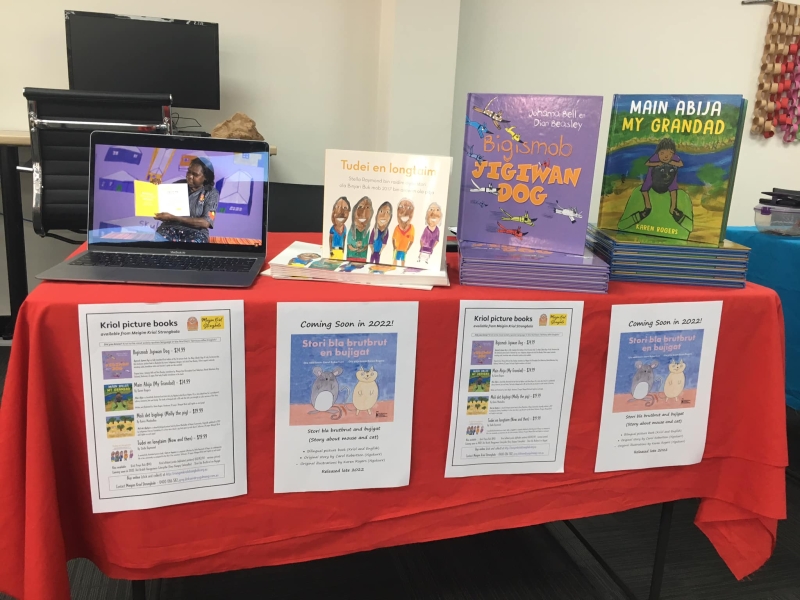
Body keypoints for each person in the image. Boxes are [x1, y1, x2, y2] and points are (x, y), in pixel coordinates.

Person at [155, 157, 219, 243]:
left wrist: (174, 218)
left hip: (197, 232)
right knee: (160, 241)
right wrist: (155, 188)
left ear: (206, 178)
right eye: (189, 172)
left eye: (195, 174)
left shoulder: (211, 193)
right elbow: (163, 205)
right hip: (169, 228)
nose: (189, 176)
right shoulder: (178, 185)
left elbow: (206, 222)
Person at [640, 138, 684, 221]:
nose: (665, 156)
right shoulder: (655, 157)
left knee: (673, 188)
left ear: (673, 154)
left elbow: (680, 164)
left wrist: (671, 162)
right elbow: (647, 163)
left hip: (669, 177)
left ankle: (673, 208)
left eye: (669, 154)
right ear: (658, 153)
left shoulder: (675, 157)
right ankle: (647, 206)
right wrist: (658, 163)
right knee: (644, 189)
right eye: (662, 153)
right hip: (654, 177)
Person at [346, 196, 373, 262]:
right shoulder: (352, 230)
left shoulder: (368, 231)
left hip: (363, 258)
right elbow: (349, 244)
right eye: (360, 207)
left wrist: (362, 246)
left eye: (367, 208)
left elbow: (368, 245)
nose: (363, 213)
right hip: (351, 256)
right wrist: (355, 245)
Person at [392, 199, 415, 267]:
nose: (405, 211)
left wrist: (407, 249)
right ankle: (394, 269)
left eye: (409, 208)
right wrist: (394, 247)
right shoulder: (397, 228)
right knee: (395, 259)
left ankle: (401, 270)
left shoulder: (412, 228)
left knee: (403, 260)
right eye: (401, 207)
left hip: (404, 249)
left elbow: (411, 241)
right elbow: (393, 238)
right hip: (397, 249)